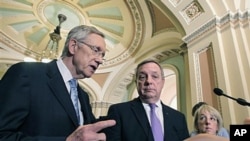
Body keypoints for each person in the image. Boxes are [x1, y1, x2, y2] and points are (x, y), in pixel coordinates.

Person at [0, 25, 115, 141]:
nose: (100, 60)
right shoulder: (26, 74)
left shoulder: (83, 96)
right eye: (96, 50)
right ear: (73, 46)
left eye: (102, 55)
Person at [104, 59, 190, 141]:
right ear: (136, 83)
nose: (149, 81)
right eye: (142, 77)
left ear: (163, 82)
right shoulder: (119, 112)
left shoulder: (178, 118)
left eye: (155, 76)